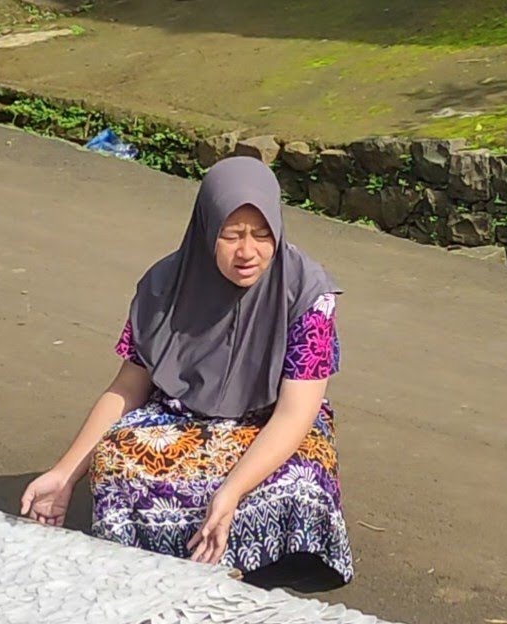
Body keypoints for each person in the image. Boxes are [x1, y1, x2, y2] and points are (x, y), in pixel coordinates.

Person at [20, 156, 353, 590]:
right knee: (116, 459)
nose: (247, 252)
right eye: (230, 235)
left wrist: (231, 491)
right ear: (205, 231)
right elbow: (127, 388)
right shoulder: (163, 285)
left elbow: (295, 413)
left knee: (305, 474)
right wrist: (65, 473)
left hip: (268, 423)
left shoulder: (309, 294)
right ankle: (162, 561)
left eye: (261, 235)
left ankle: (268, 562)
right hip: (180, 419)